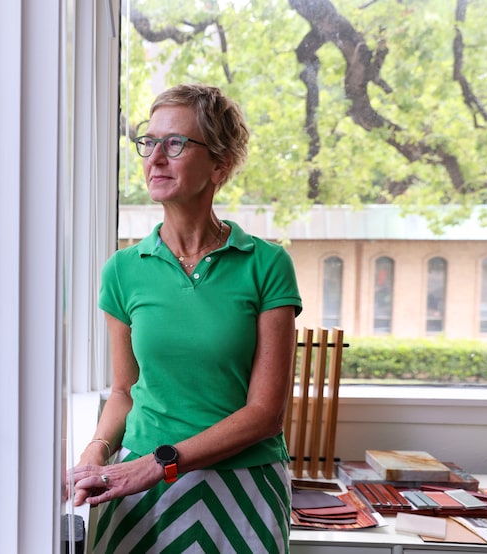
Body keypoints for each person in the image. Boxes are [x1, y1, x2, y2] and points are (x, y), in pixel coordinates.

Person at [70, 84, 302, 553]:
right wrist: (96, 451)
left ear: (219, 164)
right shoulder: (123, 270)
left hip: (244, 491)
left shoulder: (267, 265)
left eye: (175, 143)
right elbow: (124, 391)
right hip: (139, 492)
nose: (155, 157)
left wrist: (159, 464)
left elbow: (264, 414)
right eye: (148, 142)